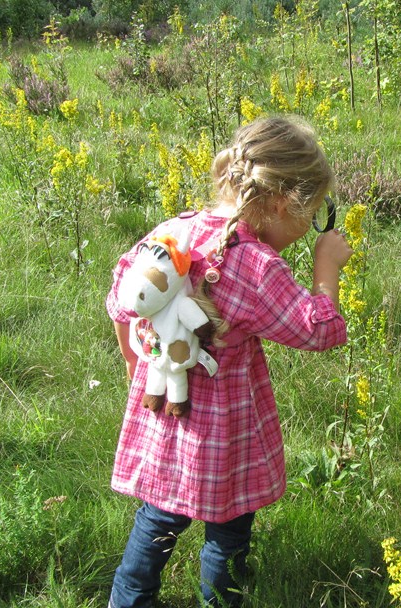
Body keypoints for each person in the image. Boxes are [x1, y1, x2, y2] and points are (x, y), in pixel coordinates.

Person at [105, 116, 354, 608]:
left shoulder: (176, 229)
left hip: (166, 417)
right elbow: (320, 328)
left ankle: (127, 600)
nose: (309, 231)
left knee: (157, 516)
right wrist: (326, 266)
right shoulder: (255, 265)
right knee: (229, 527)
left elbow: (120, 297)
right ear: (283, 204)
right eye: (312, 217)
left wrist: (134, 362)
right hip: (227, 434)